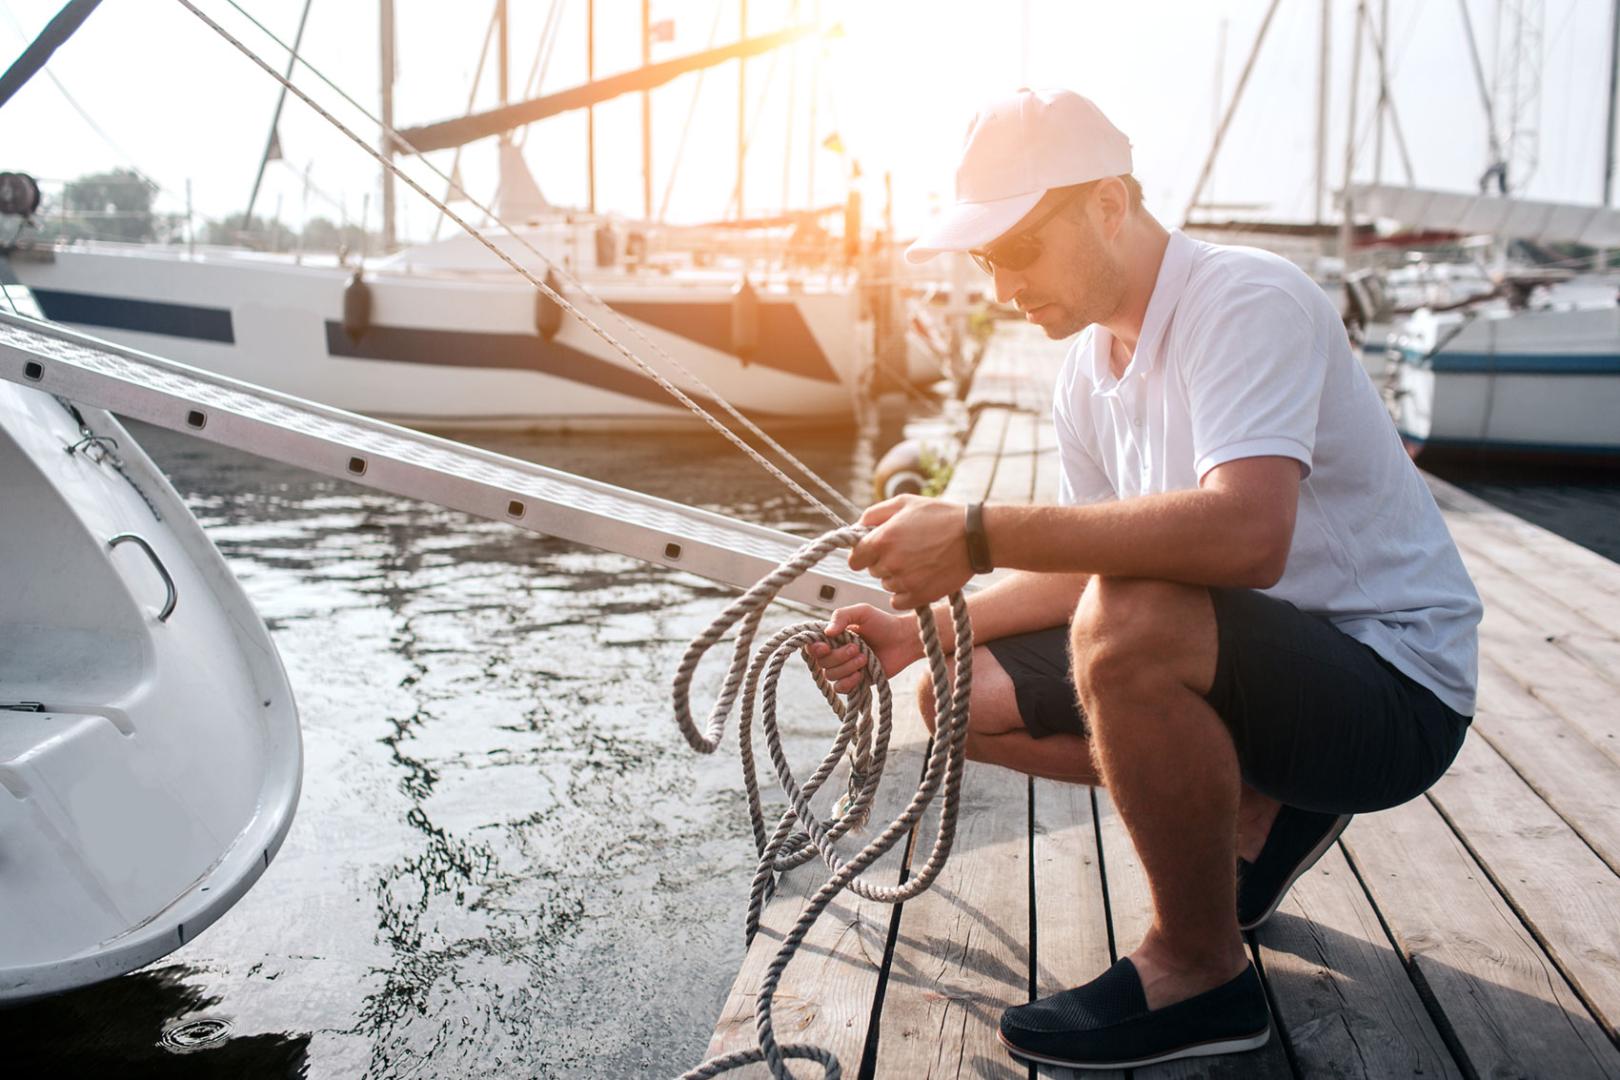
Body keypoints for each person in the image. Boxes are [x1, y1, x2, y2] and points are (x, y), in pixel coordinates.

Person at [807, 88, 1481, 1071]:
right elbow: (1093, 564)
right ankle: (1262, 807)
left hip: (1397, 693)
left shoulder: (1245, 301)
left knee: (1131, 623)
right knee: (955, 696)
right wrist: (924, 633)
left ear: (1108, 207)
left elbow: (1251, 536)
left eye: (1018, 250)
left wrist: (980, 531)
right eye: (985, 260)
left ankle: (1200, 970)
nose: (999, 287)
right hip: (1261, 665)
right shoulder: (1085, 372)